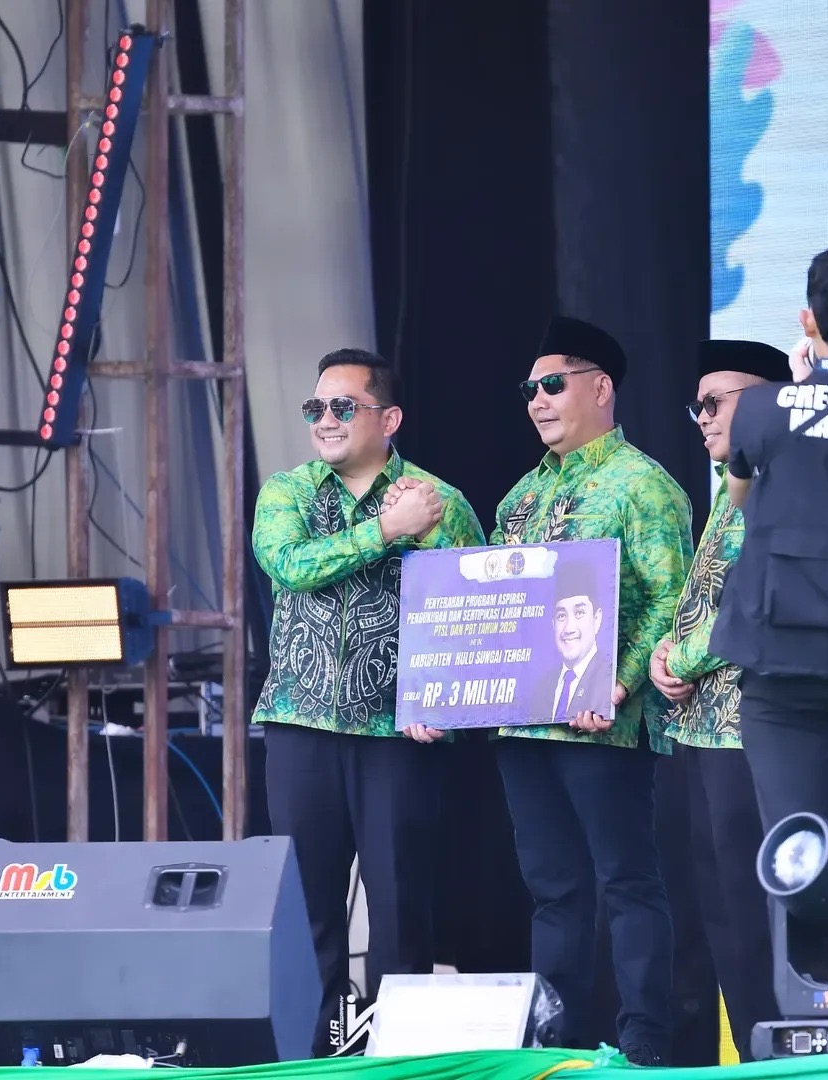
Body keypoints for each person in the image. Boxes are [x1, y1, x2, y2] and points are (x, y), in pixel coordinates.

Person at [250, 348, 485, 1056]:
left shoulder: (439, 502)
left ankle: (394, 1057)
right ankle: (316, 1053)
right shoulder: (288, 492)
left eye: (343, 406)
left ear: (389, 418)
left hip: (398, 733)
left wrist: (448, 707)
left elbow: (475, 610)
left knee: (400, 903)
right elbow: (289, 565)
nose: (325, 420)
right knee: (308, 906)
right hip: (301, 725)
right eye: (315, 408)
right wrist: (384, 530)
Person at [488, 316, 694, 1065]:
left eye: (552, 385)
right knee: (552, 888)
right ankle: (558, 1040)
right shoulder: (517, 498)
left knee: (627, 880)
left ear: (600, 388)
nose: (537, 401)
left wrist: (618, 680)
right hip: (524, 723)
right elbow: (492, 608)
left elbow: (674, 600)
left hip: (606, 723)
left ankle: (645, 1041)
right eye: (529, 390)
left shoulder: (645, 485)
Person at [710, 244, 828, 857]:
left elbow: (739, 500)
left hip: (782, 663)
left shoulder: (761, 409)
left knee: (798, 862)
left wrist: (806, 396)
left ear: (808, 320)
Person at [649, 338, 791, 1061]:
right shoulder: (728, 487)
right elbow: (702, 598)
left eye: (715, 402)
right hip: (698, 732)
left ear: (766, 402)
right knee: (716, 912)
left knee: (755, 908)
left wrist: (682, 656)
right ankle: (748, 1057)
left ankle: (780, 1059)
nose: (701, 417)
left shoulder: (784, 479)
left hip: (752, 729)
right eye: (696, 406)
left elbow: (752, 602)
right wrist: (662, 651)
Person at [540, 559, 613, 720]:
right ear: (553, 624)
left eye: (579, 613)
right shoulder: (541, 688)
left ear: (596, 619)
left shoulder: (611, 679)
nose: (569, 628)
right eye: (561, 616)